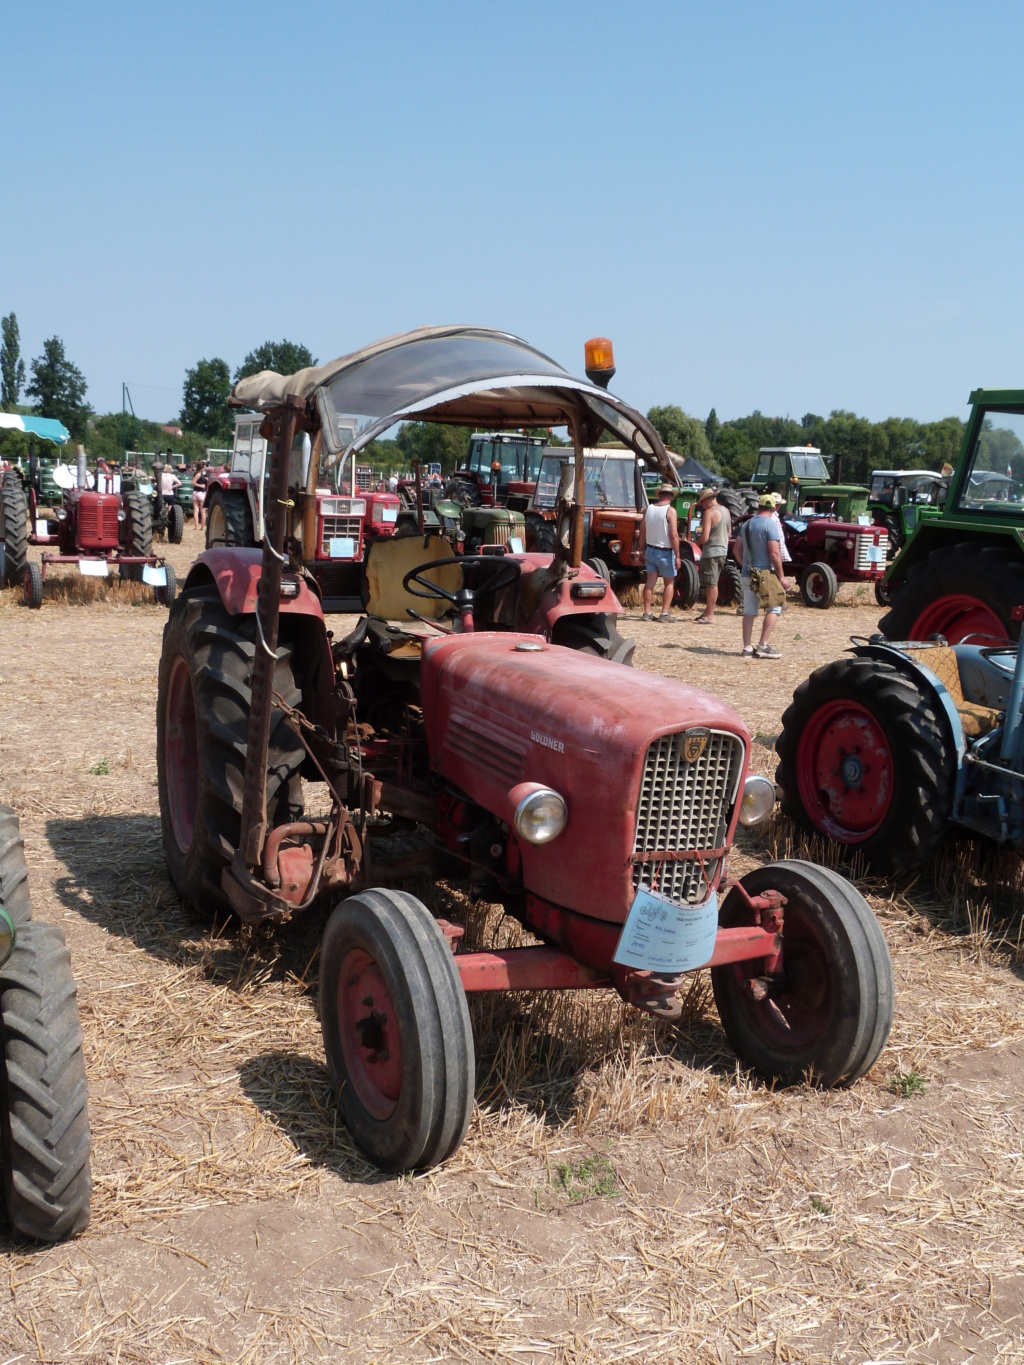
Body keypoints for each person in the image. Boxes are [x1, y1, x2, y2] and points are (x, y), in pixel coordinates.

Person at [735, 494, 790, 658]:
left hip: (747, 573)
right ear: (774, 508)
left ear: (758, 507)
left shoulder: (746, 524)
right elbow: (774, 554)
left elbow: (736, 549)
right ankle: (763, 646)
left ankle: (747, 648)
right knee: (774, 607)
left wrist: (745, 564)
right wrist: (781, 577)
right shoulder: (771, 524)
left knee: (749, 611)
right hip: (764, 573)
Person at [638, 482, 680, 621]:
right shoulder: (670, 511)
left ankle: (647, 612)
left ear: (659, 495)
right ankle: (664, 613)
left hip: (650, 549)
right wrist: (678, 555)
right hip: (665, 551)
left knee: (650, 582)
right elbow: (673, 535)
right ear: (671, 496)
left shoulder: (648, 509)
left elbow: (642, 532)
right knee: (669, 583)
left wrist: (640, 550)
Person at [693, 487, 730, 623]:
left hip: (711, 552)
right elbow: (729, 533)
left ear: (708, 500)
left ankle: (709, 615)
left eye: (702, 502)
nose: (702, 505)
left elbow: (705, 537)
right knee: (713, 583)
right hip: (723, 550)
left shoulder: (709, 513)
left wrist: (696, 541)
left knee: (711, 584)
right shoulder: (726, 511)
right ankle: (707, 612)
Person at [192, 462, 210, 529]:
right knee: (203, 510)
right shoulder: (200, 474)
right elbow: (193, 482)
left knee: (196, 510)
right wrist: (201, 486)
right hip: (201, 493)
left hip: (195, 492)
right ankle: (202, 527)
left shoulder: (196, 473)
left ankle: (196, 526)